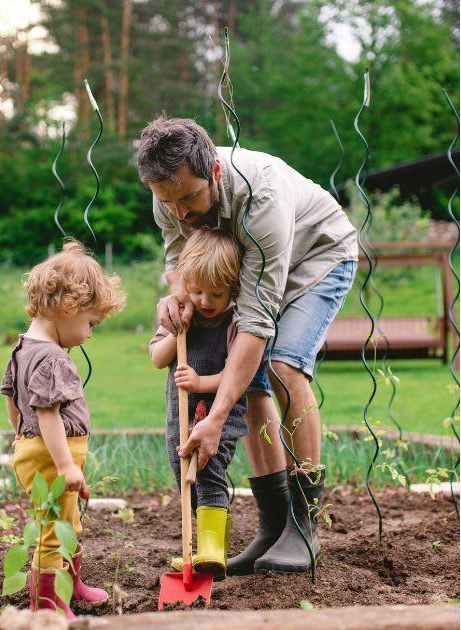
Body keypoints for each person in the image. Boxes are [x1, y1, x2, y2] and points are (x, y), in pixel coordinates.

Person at [137, 116, 357, 574]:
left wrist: (216, 419)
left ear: (214, 172)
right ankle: (273, 527)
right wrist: (176, 297)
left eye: (188, 199)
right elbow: (177, 257)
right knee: (253, 385)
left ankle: (304, 524)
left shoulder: (262, 201)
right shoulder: (170, 194)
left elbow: (256, 321)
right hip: (250, 272)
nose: (179, 212)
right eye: (167, 202)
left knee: (282, 366)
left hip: (318, 257)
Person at [1, 241, 126, 619]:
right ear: (69, 308)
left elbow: (11, 398)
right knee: (54, 531)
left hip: (37, 450)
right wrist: (66, 464)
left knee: (66, 522)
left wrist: (19, 434)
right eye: (91, 324)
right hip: (53, 456)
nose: (89, 334)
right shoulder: (52, 358)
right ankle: (48, 605)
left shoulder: (23, 348)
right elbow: (48, 414)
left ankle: (71, 584)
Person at [149, 228, 247, 581]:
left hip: (220, 415)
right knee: (184, 477)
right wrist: (179, 331)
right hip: (181, 414)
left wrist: (200, 383)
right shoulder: (178, 315)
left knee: (209, 471)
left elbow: (238, 372)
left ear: (233, 289)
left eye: (216, 294)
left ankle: (211, 550)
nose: (205, 300)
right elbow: (157, 358)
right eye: (197, 291)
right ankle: (202, 548)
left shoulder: (236, 322)